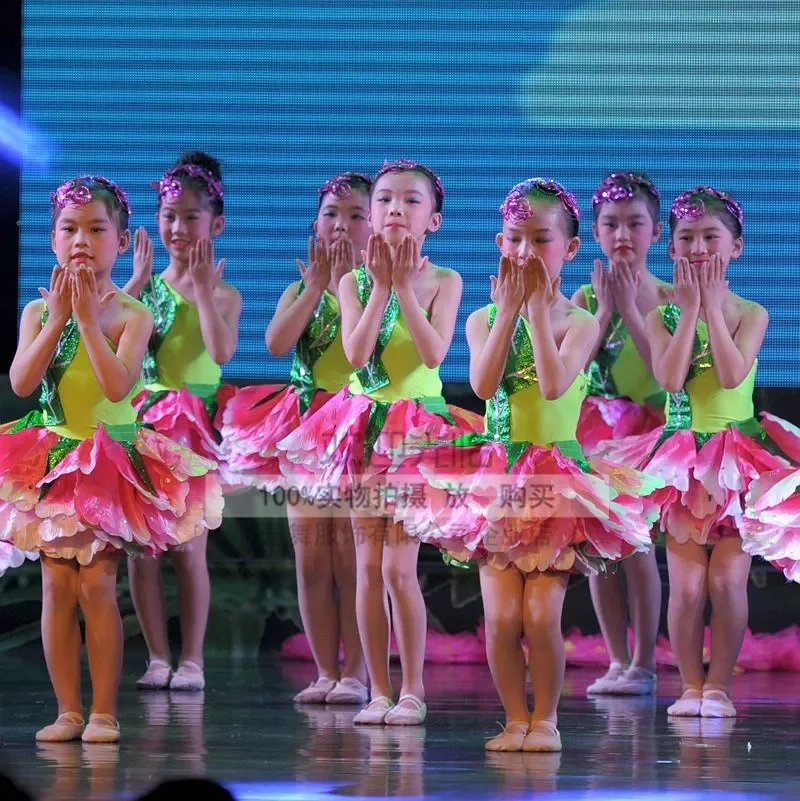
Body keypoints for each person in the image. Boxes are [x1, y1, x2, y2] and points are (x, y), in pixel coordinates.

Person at [391, 178, 655, 751]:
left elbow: (557, 383)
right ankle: (515, 719)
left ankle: (548, 721)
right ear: (499, 243)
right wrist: (510, 310)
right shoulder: (485, 319)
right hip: (497, 479)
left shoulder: (580, 322)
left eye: (540, 239)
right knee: (502, 618)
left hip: (556, 481)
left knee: (541, 617)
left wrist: (536, 310)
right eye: (515, 239)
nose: (526, 252)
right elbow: (485, 385)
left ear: (570, 248)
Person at [0, 176, 220, 742]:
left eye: (97, 229)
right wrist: (56, 319)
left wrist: (87, 322)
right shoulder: (34, 311)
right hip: (49, 459)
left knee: (97, 583)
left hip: (105, 463)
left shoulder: (130, 314)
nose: (81, 240)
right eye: (69, 229)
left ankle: (103, 711)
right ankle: (67, 710)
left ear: (121, 242)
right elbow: (24, 383)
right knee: (56, 585)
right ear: (52, 240)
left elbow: (118, 387)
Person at [279, 160, 480, 725]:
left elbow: (435, 353)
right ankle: (377, 692)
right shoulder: (351, 282)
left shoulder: (445, 280)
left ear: (433, 220)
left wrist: (403, 290)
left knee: (397, 569)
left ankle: (412, 689)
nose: (395, 209)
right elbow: (359, 353)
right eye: (386, 199)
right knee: (368, 568)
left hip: (418, 435)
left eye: (410, 201)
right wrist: (380, 288)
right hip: (365, 431)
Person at [600, 186, 785, 718]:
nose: (698, 247)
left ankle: (719, 686)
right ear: (672, 248)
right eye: (686, 238)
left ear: (736, 248)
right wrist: (688, 314)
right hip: (683, 461)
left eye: (711, 236)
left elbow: (730, 374)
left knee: (726, 581)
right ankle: (688, 686)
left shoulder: (752, 312)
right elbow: (670, 376)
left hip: (737, 459)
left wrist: (710, 306)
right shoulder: (662, 316)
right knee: (686, 587)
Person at [220, 172, 372, 704]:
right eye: (332, 213)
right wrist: (312, 288)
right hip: (306, 429)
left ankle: (357, 671)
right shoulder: (301, 286)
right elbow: (277, 341)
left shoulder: (381, 291)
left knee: (352, 556)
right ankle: (324, 672)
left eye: (356, 215)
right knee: (311, 556)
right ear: (316, 222)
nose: (342, 225)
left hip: (357, 428)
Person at [123, 152, 242, 693]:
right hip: (142, 422)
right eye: (169, 215)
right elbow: (107, 343)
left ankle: (191, 659)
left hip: (192, 427)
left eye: (191, 217)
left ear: (215, 224)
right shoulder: (143, 289)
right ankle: (155, 656)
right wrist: (136, 282)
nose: (177, 227)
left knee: (189, 547)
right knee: (142, 548)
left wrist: (198, 292)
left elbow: (220, 353)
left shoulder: (222, 293)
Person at [573, 172, 668, 696]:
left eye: (635, 223)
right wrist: (605, 309)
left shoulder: (671, 296)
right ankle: (614, 660)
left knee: (637, 546)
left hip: (646, 431)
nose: (622, 234)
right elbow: (570, 373)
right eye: (611, 224)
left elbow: (663, 370)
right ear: (595, 232)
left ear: (656, 232)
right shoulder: (585, 295)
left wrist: (629, 309)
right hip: (592, 429)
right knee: (595, 547)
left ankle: (644, 662)